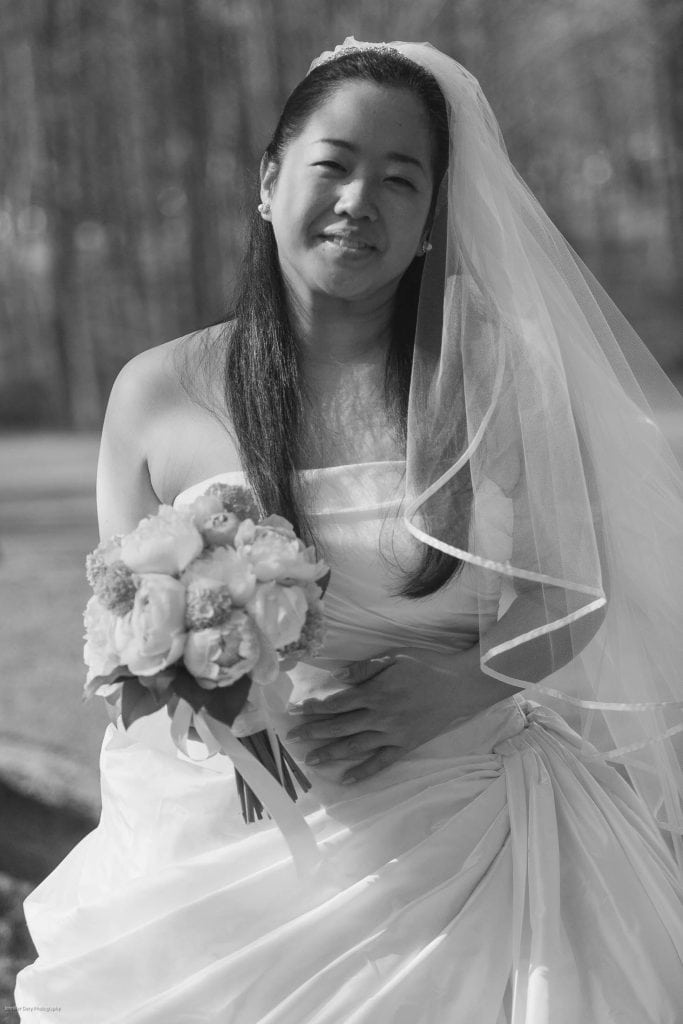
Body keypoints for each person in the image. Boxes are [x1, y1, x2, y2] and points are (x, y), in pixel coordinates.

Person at [15, 37, 683, 1024]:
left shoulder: (498, 379)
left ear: (431, 221)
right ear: (267, 182)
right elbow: (124, 648)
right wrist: (228, 704)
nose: (357, 201)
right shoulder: (155, 391)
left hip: (479, 830)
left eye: (399, 180)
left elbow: (571, 591)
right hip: (227, 852)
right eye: (332, 165)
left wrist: (454, 688)